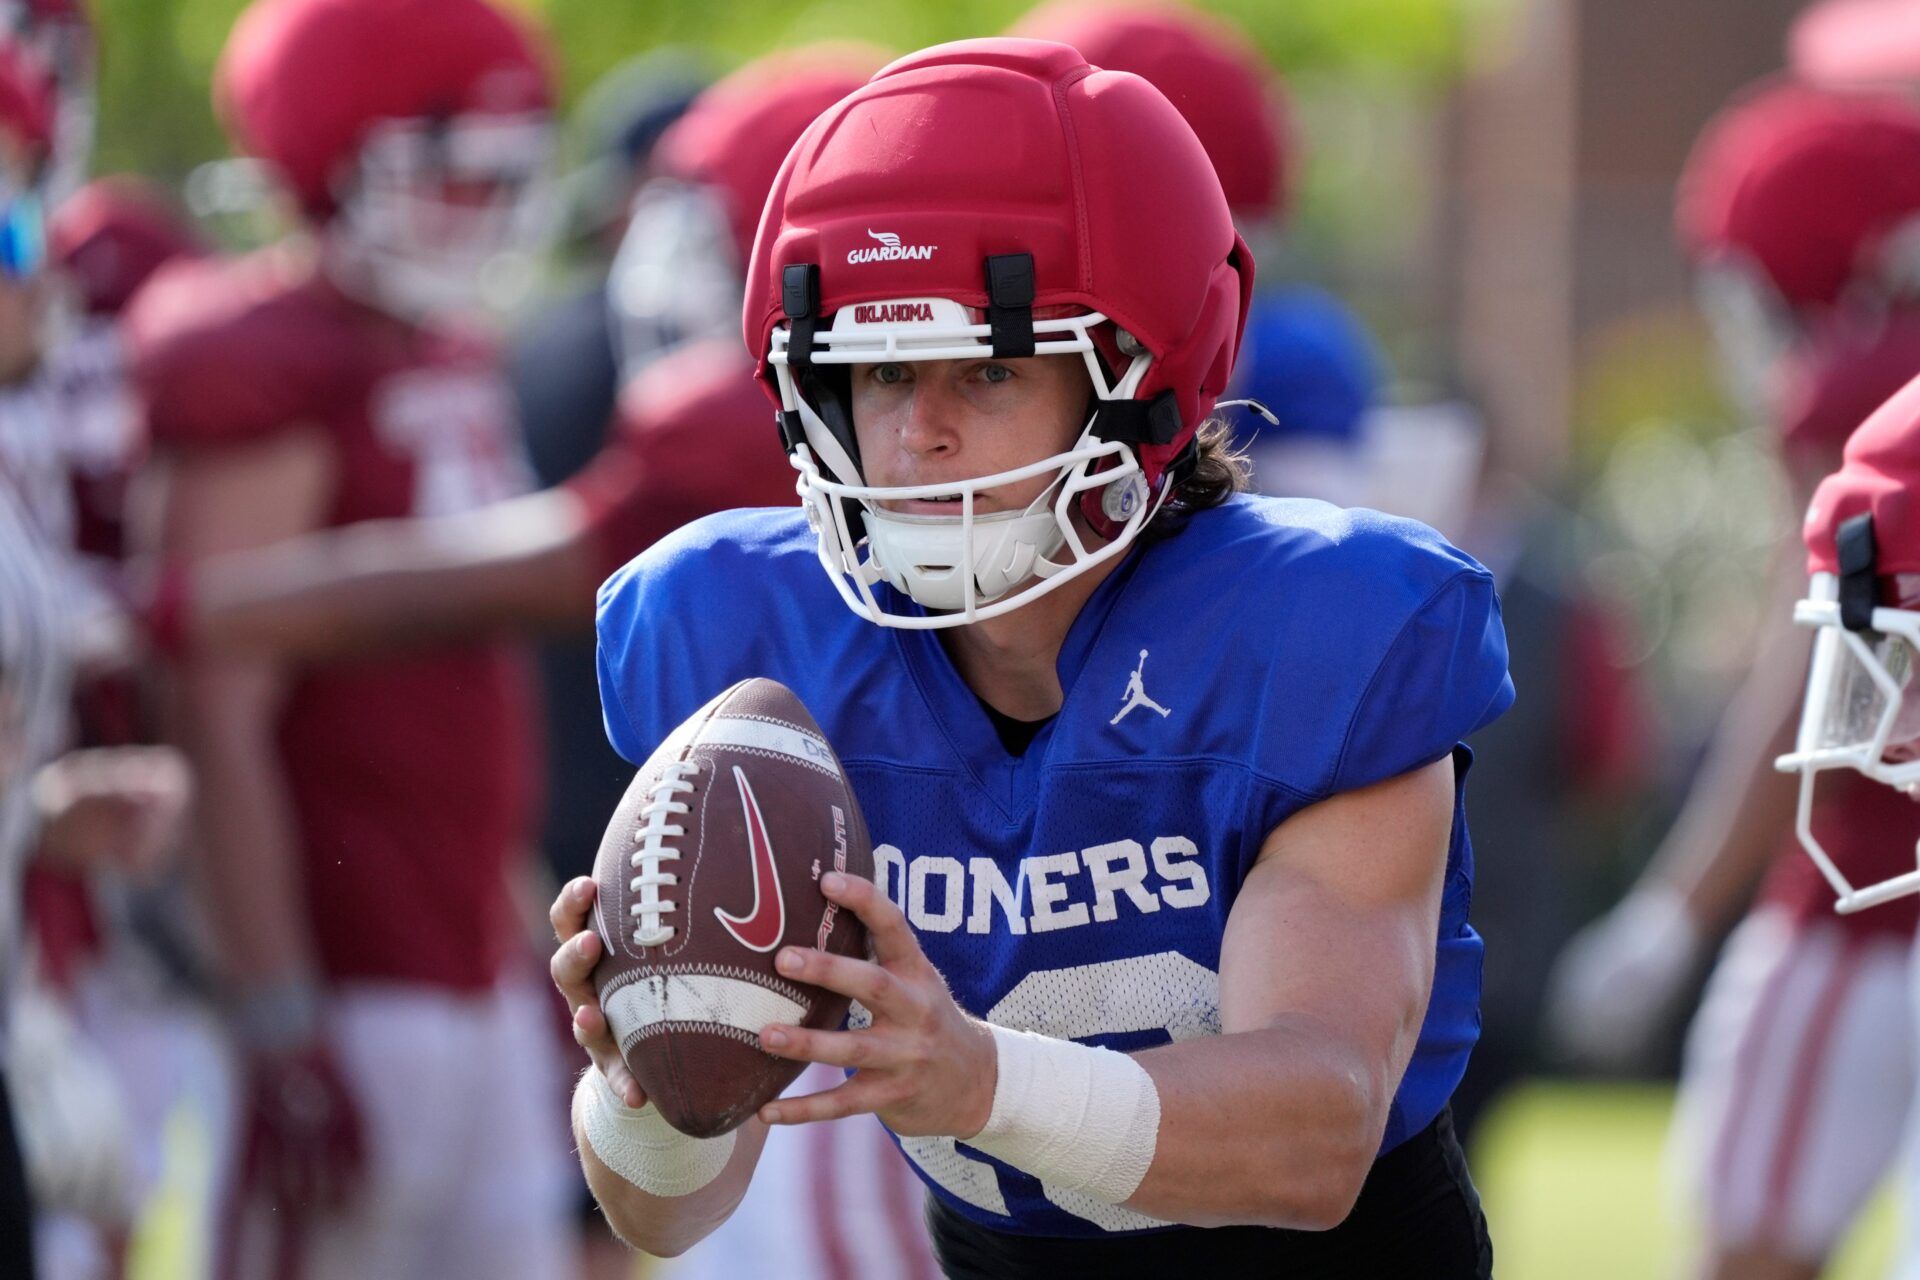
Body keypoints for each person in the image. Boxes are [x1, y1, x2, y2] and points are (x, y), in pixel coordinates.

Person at [552, 38, 1510, 1277]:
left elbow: (1317, 1134)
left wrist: (978, 1073)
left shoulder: (1311, 629)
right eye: (879, 369)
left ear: (1144, 383)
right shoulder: (744, 636)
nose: (918, 434)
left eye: (990, 367)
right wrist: (649, 1082)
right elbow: (665, 1215)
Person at [128, 1, 575, 1276]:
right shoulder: (265, 356)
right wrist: (274, 1003)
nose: (475, 209)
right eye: (442, 171)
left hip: (463, 958)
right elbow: (213, 701)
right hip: (345, 967)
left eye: (499, 174)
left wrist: (516, 917)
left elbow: (457, 687)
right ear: (331, 167)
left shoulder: (438, 348)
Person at [1543, 81, 1920, 1280]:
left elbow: (1816, 655)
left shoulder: (1865, 378)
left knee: (1747, 1251)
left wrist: (1676, 905)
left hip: (1863, 903)